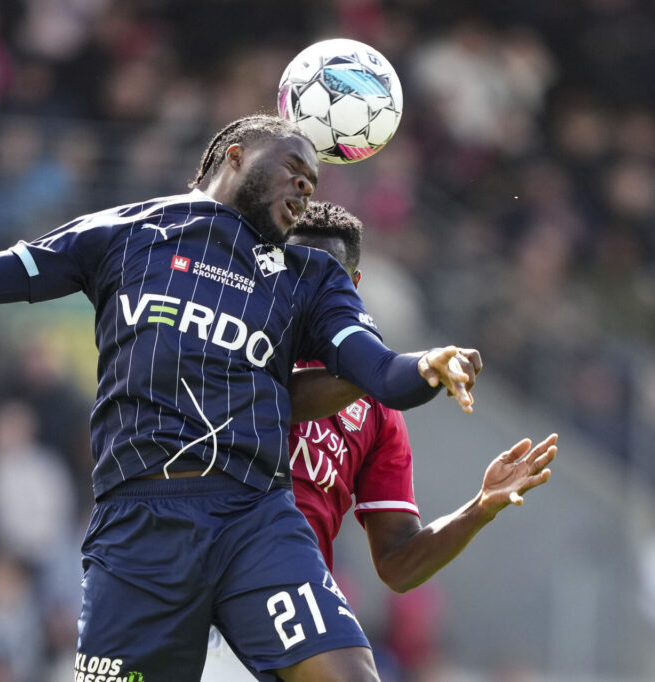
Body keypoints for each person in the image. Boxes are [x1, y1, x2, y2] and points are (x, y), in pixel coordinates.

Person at [0, 114, 478, 682]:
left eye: (314, 184)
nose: (304, 192)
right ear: (235, 155)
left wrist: (430, 365)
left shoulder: (306, 278)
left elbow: (377, 372)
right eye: (294, 173)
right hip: (138, 529)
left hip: (254, 517)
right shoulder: (124, 235)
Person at [203, 201, 557, 681]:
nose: (305, 290)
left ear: (352, 286)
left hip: (284, 604)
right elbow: (284, 398)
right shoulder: (230, 343)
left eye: (325, 278)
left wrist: (479, 508)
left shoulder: (377, 415)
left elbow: (398, 565)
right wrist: (399, 370)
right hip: (196, 581)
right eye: (294, 270)